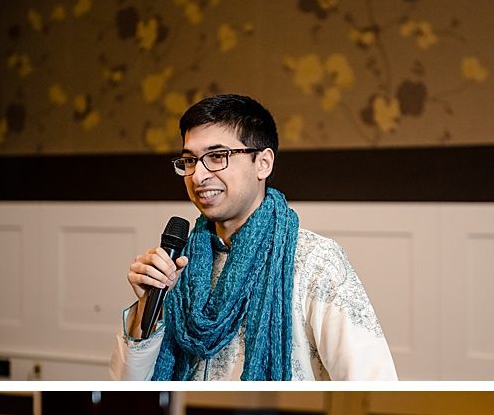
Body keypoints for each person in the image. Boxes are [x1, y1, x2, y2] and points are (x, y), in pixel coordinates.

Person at [114, 94, 397, 382]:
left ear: (263, 163)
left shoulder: (314, 259)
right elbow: (125, 385)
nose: (198, 176)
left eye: (217, 157)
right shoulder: (177, 264)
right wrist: (148, 306)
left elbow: (373, 380)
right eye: (189, 160)